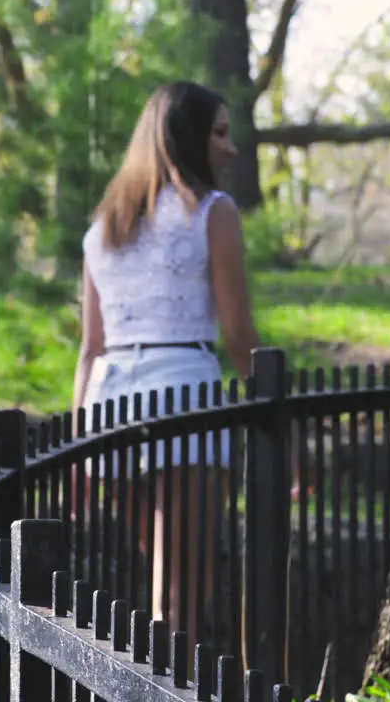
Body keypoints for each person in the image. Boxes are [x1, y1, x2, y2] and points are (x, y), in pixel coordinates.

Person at [73, 81, 260, 636]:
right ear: (188, 139)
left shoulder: (101, 229)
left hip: (110, 404)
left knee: (163, 577)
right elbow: (240, 337)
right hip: (185, 398)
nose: (230, 148)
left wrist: (82, 442)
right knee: (184, 588)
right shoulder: (213, 212)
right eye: (220, 133)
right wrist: (284, 432)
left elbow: (90, 350)